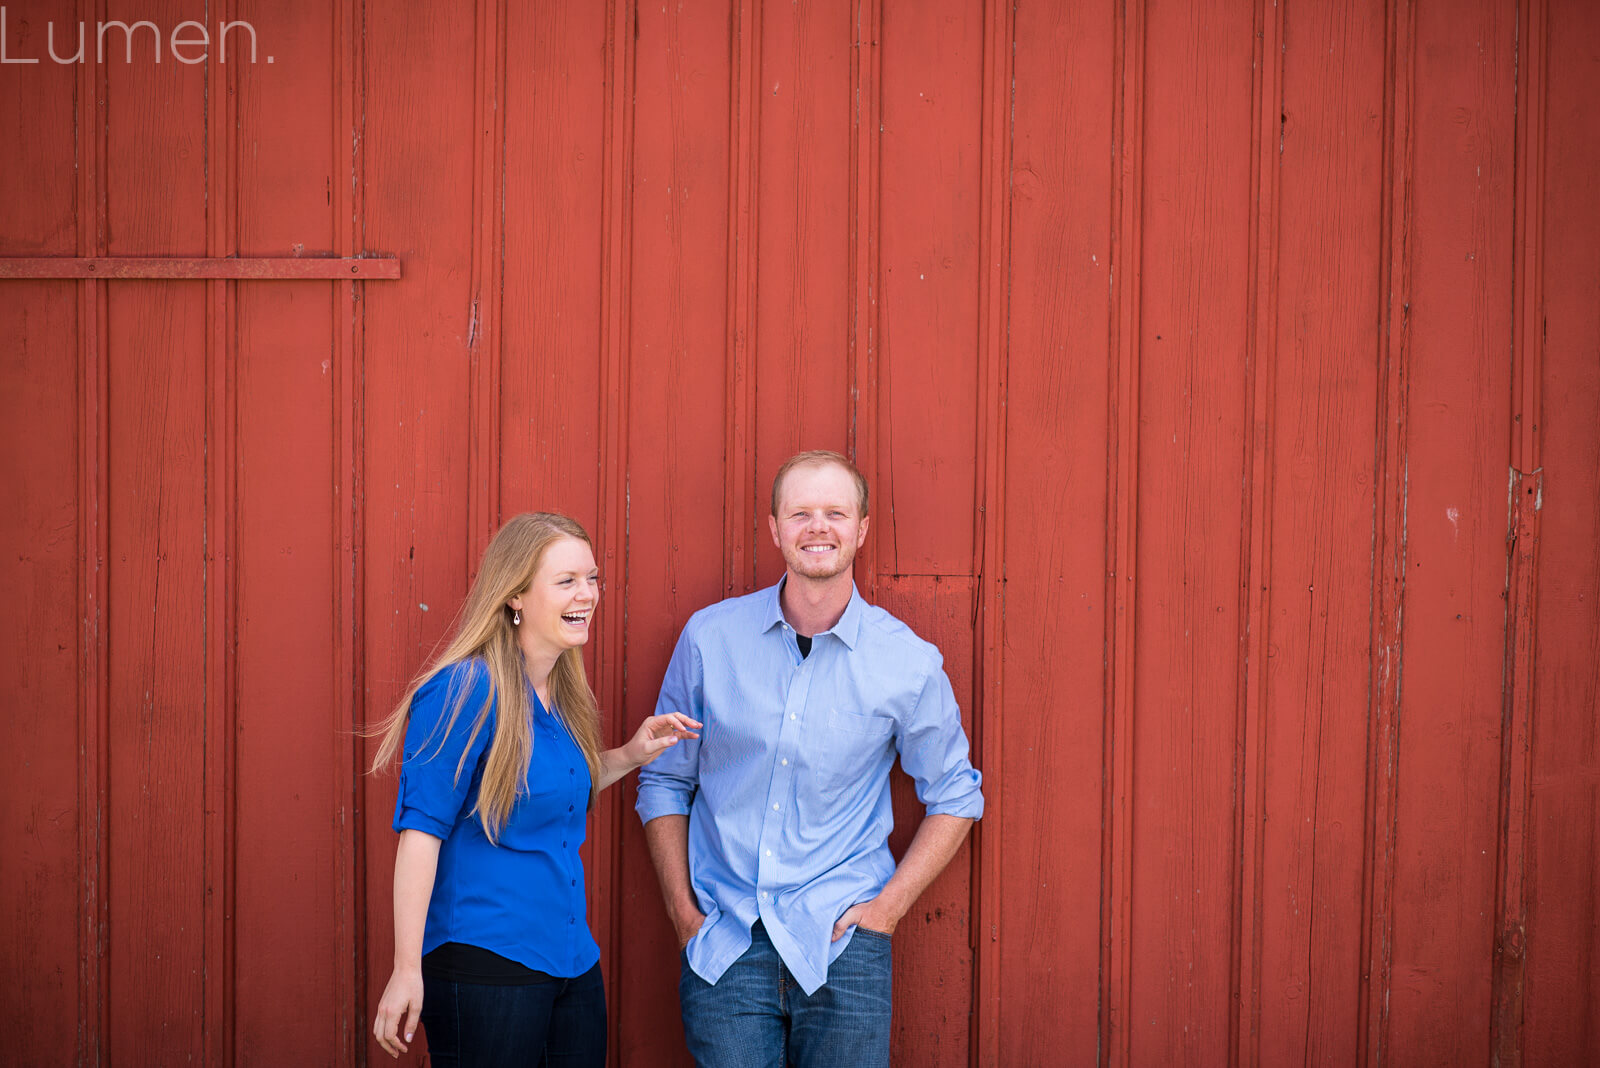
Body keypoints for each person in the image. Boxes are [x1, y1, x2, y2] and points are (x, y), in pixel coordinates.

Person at [637, 450, 984, 1068]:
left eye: (835, 513)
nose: (817, 527)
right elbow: (664, 778)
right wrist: (682, 913)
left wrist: (886, 911)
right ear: (774, 528)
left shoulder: (906, 662)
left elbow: (956, 796)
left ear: (862, 528)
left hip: (844, 949)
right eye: (800, 513)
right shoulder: (710, 639)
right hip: (727, 941)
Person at [369, 512, 699, 1065]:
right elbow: (420, 835)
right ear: (515, 595)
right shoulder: (463, 690)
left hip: (571, 961)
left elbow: (552, 786)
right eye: (566, 580)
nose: (587, 594)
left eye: (592, 578)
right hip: (487, 962)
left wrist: (631, 754)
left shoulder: (558, 692)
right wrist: (407, 968)